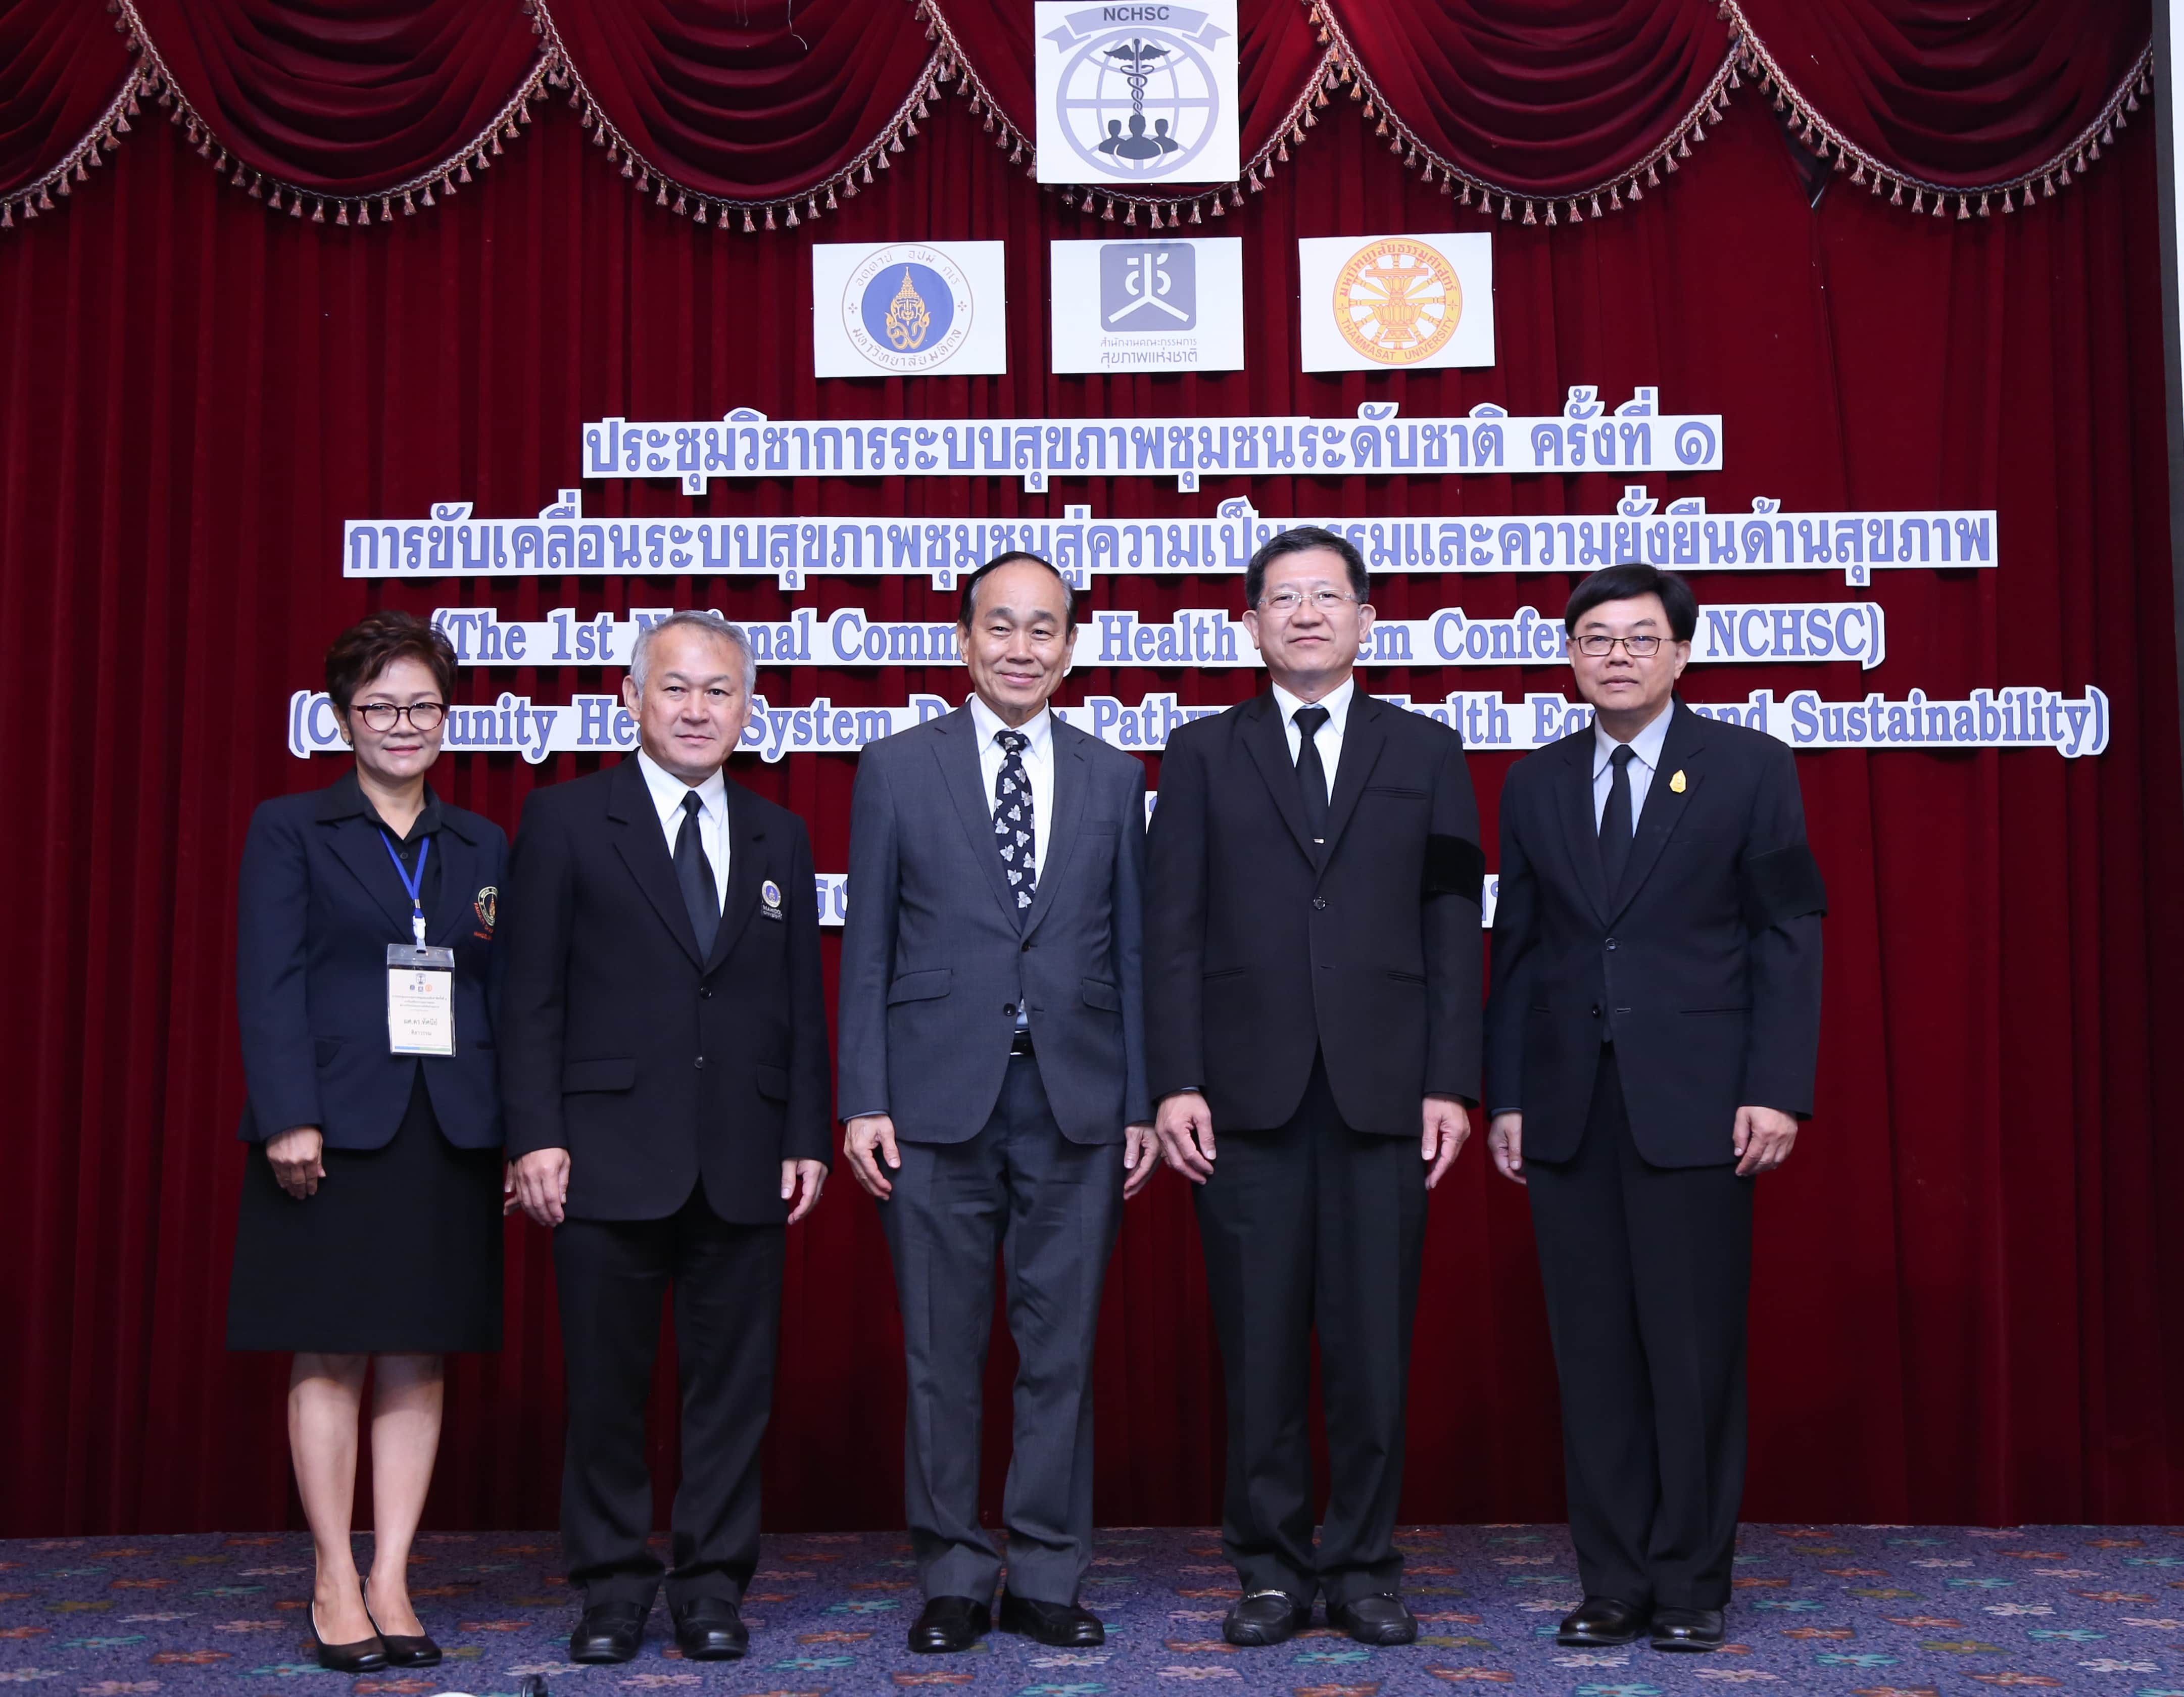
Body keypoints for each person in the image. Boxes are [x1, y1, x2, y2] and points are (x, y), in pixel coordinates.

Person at [1145, 526, 1485, 1648]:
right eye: (1281, 598)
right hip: (1240, 1098)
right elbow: (1172, 930)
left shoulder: (1428, 750)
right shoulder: (1198, 753)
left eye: (1325, 597)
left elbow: (1449, 923)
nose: (1303, 614)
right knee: (1259, 1347)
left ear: (1364, 620)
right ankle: (1270, 1568)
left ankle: (1366, 1564)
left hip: (1386, 1090)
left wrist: (1451, 1077)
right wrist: (1175, 1078)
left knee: (1372, 1346)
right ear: (1249, 623)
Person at [1484, 564, 1825, 1655]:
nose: (1617, 654)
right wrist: (1510, 1098)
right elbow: (1521, 954)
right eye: (1596, 638)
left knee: (1688, 1354)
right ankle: (1613, 1579)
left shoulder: (1748, 768)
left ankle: (1689, 1581)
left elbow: (1787, 936)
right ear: (1571, 658)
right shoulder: (1533, 784)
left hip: (1699, 1107)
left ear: (1681, 654)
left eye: (1640, 637)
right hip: (1571, 1109)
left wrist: (1776, 1084)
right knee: (1590, 1359)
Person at [838, 552, 1158, 1656]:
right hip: (930, 1100)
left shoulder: (1116, 775)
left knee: (1058, 1348)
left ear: (1070, 646)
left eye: (1044, 628)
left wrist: (1141, 1100)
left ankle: (1047, 1572)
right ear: (964, 640)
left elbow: (1134, 948)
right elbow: (867, 944)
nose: (1021, 647)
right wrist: (862, 1094)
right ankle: (954, 1574)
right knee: (940, 1349)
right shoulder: (893, 768)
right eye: (1000, 627)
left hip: (1077, 1097)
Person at [499, 610, 832, 1667]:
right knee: (605, 1386)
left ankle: (709, 1585)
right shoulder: (560, 820)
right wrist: (534, 1132)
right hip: (600, 1151)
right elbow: (528, 996)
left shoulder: (781, 832)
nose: (698, 708)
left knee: (732, 1391)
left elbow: (798, 1002)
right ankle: (608, 1586)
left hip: (743, 1154)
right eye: (677, 688)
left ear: (748, 709)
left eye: (719, 691)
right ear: (632, 700)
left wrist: (805, 1132)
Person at [228, 610, 506, 1675]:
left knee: (417, 1346)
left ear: (448, 715)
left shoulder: (480, 844)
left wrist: (516, 1133)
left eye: (423, 705)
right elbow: (271, 979)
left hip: (449, 1123)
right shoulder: (291, 828)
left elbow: (500, 991)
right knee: (333, 1342)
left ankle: (392, 1570)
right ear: (341, 717)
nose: (404, 724)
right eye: (381, 706)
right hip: (331, 1126)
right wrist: (288, 1110)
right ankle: (332, 1575)